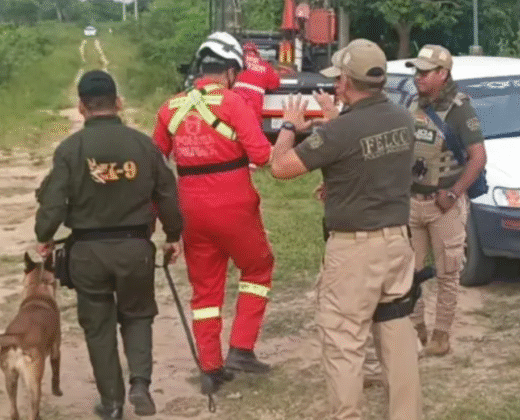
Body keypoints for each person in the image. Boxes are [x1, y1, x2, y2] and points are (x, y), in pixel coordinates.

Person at [270, 39, 422, 420]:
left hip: (356, 250)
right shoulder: (404, 118)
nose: (335, 86)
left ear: (348, 83)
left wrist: (289, 126)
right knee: (396, 335)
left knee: (344, 340)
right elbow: (372, 160)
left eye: (339, 80)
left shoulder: (340, 131)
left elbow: (281, 167)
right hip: (397, 244)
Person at [35, 70, 182, 420]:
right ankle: (141, 384)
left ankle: (113, 403)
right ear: (118, 103)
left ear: (82, 107)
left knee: (98, 327)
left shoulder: (71, 149)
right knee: (138, 315)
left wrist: (44, 236)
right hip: (135, 249)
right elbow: (168, 194)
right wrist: (173, 236)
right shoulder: (143, 145)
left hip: (88, 253)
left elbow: (53, 203)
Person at [152, 31, 275, 394]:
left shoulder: (169, 108)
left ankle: (210, 368)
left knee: (205, 291)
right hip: (235, 205)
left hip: (190, 209)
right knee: (258, 267)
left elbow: (155, 164)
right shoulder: (234, 102)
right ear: (232, 70)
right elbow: (262, 155)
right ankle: (241, 348)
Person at [405, 45, 487, 356]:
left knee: (448, 272)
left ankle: (441, 336)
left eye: (426, 72)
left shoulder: (460, 109)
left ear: (443, 74)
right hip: (412, 201)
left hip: (445, 206)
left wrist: (454, 193)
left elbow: (477, 157)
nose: (419, 78)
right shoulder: (413, 104)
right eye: (417, 72)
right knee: (407, 273)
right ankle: (416, 330)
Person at [232, 42, 280, 124]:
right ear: (257, 53)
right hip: (254, 107)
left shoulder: (237, 64)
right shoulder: (265, 66)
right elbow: (274, 84)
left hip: (236, 105)